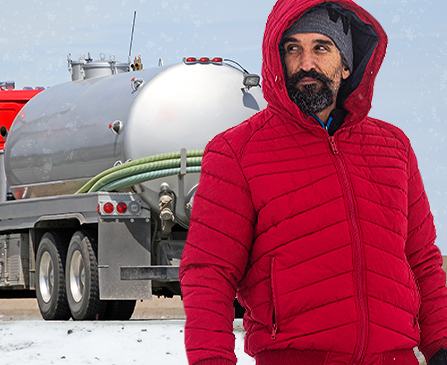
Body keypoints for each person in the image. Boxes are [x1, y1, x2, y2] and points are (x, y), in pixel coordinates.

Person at [179, 0, 447, 364]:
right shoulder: (236, 152)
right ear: (278, 59)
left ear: (348, 64)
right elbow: (209, 273)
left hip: (394, 357)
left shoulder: (393, 147)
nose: (306, 63)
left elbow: (423, 261)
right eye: (293, 49)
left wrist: (441, 343)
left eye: (321, 47)